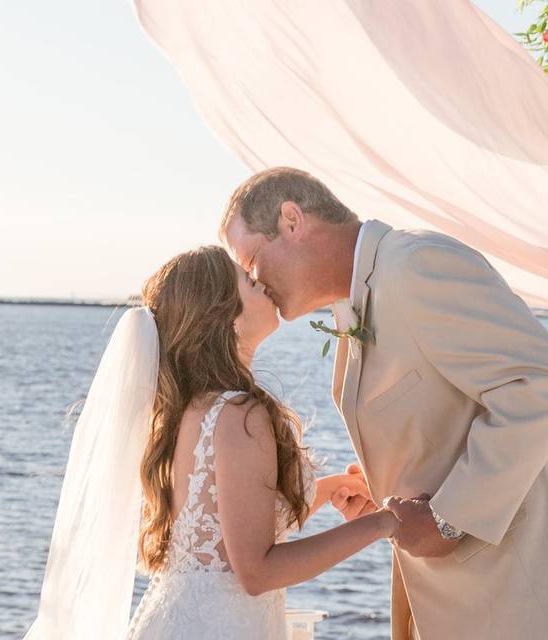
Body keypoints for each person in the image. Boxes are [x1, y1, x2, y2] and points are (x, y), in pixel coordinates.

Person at [221, 166, 548, 639]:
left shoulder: (417, 264)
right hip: (443, 607)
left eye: (251, 260)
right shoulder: (350, 306)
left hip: (509, 598)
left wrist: (447, 519)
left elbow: (534, 386)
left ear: (291, 221)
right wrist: (388, 484)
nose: (255, 281)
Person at [25, 245, 397, 640]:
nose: (264, 285)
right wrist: (386, 523)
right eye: (251, 283)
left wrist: (331, 489)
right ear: (225, 316)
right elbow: (257, 571)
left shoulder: (190, 409)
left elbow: (222, 529)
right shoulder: (239, 414)